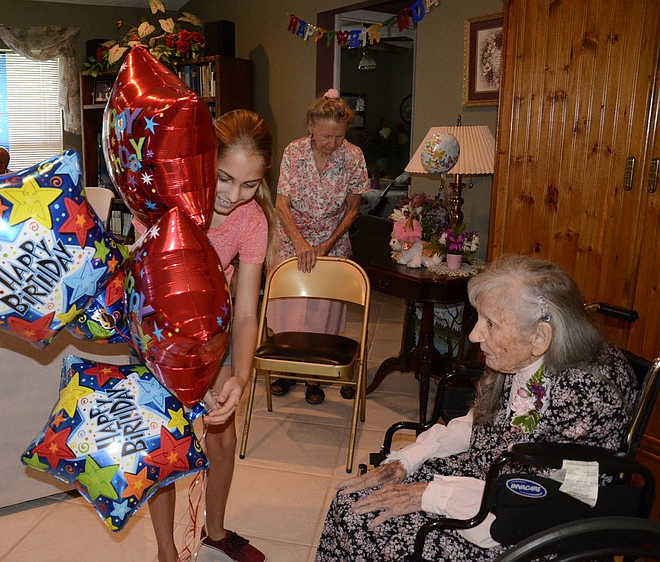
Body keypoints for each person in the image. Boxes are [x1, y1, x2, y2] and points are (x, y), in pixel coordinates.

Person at [315, 254, 639, 561]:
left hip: (520, 526)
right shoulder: (517, 357)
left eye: (491, 323)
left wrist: (432, 495)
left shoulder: (587, 396)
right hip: (480, 482)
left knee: (374, 533)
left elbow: (552, 498)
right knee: (350, 503)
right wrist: (409, 458)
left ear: (541, 336)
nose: (474, 335)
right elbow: (476, 424)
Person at [146, 109, 276, 562]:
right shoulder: (165, 206)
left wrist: (240, 376)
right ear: (204, 162)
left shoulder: (252, 220)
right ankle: (166, 551)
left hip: (216, 337)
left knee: (222, 434)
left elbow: (245, 314)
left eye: (249, 184)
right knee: (162, 445)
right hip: (157, 341)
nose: (233, 195)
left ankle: (215, 532)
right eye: (223, 178)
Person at [267, 88, 369, 405]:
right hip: (290, 239)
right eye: (326, 136)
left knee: (321, 316)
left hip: (332, 243)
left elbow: (353, 208)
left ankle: (315, 377)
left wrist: (327, 244)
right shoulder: (293, 153)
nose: (332, 144)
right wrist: (300, 243)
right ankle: (284, 368)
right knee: (289, 311)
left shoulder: (353, 156)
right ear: (311, 125)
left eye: (339, 137)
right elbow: (281, 204)